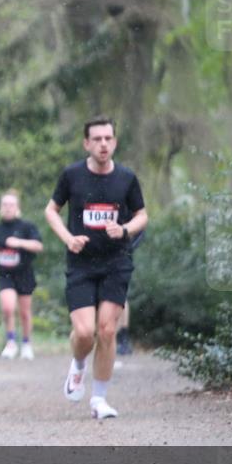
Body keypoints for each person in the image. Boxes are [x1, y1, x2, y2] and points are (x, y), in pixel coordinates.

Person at [45, 116, 148, 419]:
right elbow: (51, 210)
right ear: (86, 143)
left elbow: (142, 214)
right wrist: (67, 237)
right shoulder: (72, 175)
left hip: (117, 261)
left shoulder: (126, 178)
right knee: (85, 331)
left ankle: (99, 400)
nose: (103, 144)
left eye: (108, 138)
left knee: (106, 329)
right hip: (81, 263)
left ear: (114, 142)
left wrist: (126, 229)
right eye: (97, 139)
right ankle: (77, 366)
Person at [0, 189, 43, 360]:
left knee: (25, 312)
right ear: (0, 208)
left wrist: (19, 242)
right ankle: (10, 342)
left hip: (24, 273)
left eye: (11, 205)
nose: (8, 208)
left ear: (17, 207)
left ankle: (26, 343)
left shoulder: (27, 227)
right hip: (5, 274)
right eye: (5, 204)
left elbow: (38, 246)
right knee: (7, 307)